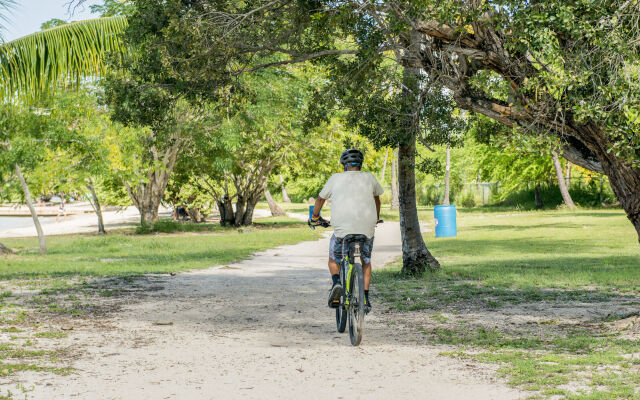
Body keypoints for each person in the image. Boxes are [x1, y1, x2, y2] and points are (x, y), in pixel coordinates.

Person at [309, 149, 384, 313]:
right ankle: (365, 297)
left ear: (343, 165)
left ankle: (336, 282)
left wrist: (315, 217)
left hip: (342, 230)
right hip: (367, 227)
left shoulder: (335, 178)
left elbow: (320, 198)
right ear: (361, 164)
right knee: (366, 261)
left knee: (333, 259)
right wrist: (375, 217)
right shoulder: (369, 177)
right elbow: (376, 198)